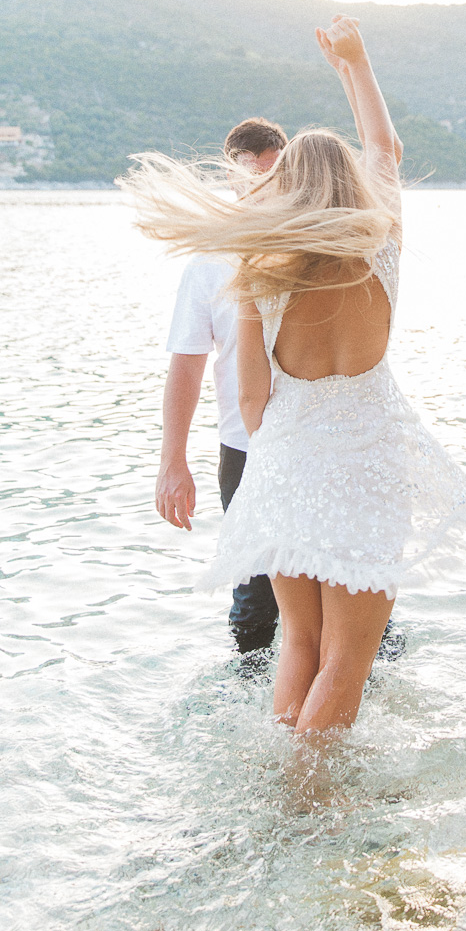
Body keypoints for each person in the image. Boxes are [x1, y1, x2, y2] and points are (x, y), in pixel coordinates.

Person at [123, 18, 466, 733]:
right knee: (349, 660)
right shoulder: (381, 245)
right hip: (365, 463)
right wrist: (354, 65)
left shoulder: (256, 274)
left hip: (286, 467)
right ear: (350, 182)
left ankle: (281, 775)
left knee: (297, 641)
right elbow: (385, 148)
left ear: (289, 186)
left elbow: (252, 407)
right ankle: (310, 799)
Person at [155, 117, 287, 653]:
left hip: (316, 442)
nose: (265, 188)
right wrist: (172, 462)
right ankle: (250, 717)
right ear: (232, 176)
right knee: (256, 600)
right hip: (244, 449)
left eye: (276, 176)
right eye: (254, 176)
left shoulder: (316, 246)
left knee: (349, 584)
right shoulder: (208, 261)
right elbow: (185, 366)